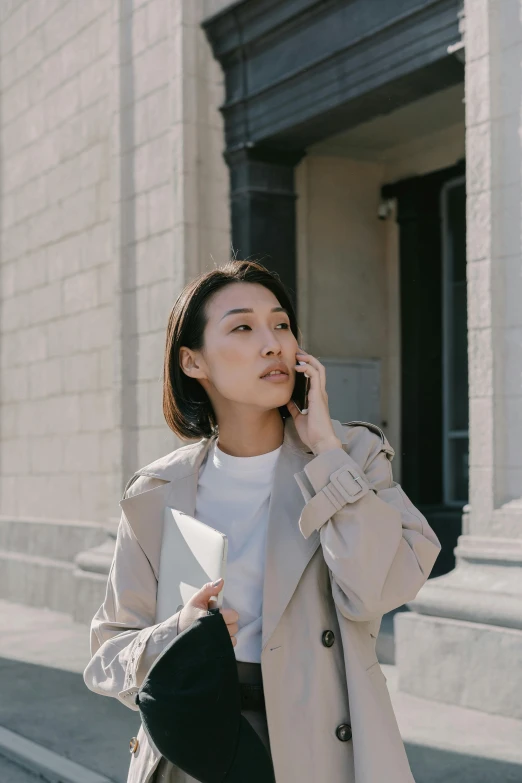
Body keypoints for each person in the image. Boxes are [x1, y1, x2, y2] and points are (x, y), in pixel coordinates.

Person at [83, 260, 442, 783]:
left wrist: (325, 451)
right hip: (195, 748)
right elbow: (107, 657)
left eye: (281, 324)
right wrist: (178, 634)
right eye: (243, 327)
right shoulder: (158, 493)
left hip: (321, 742)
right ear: (192, 362)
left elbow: (376, 590)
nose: (273, 343)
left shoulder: (353, 455)